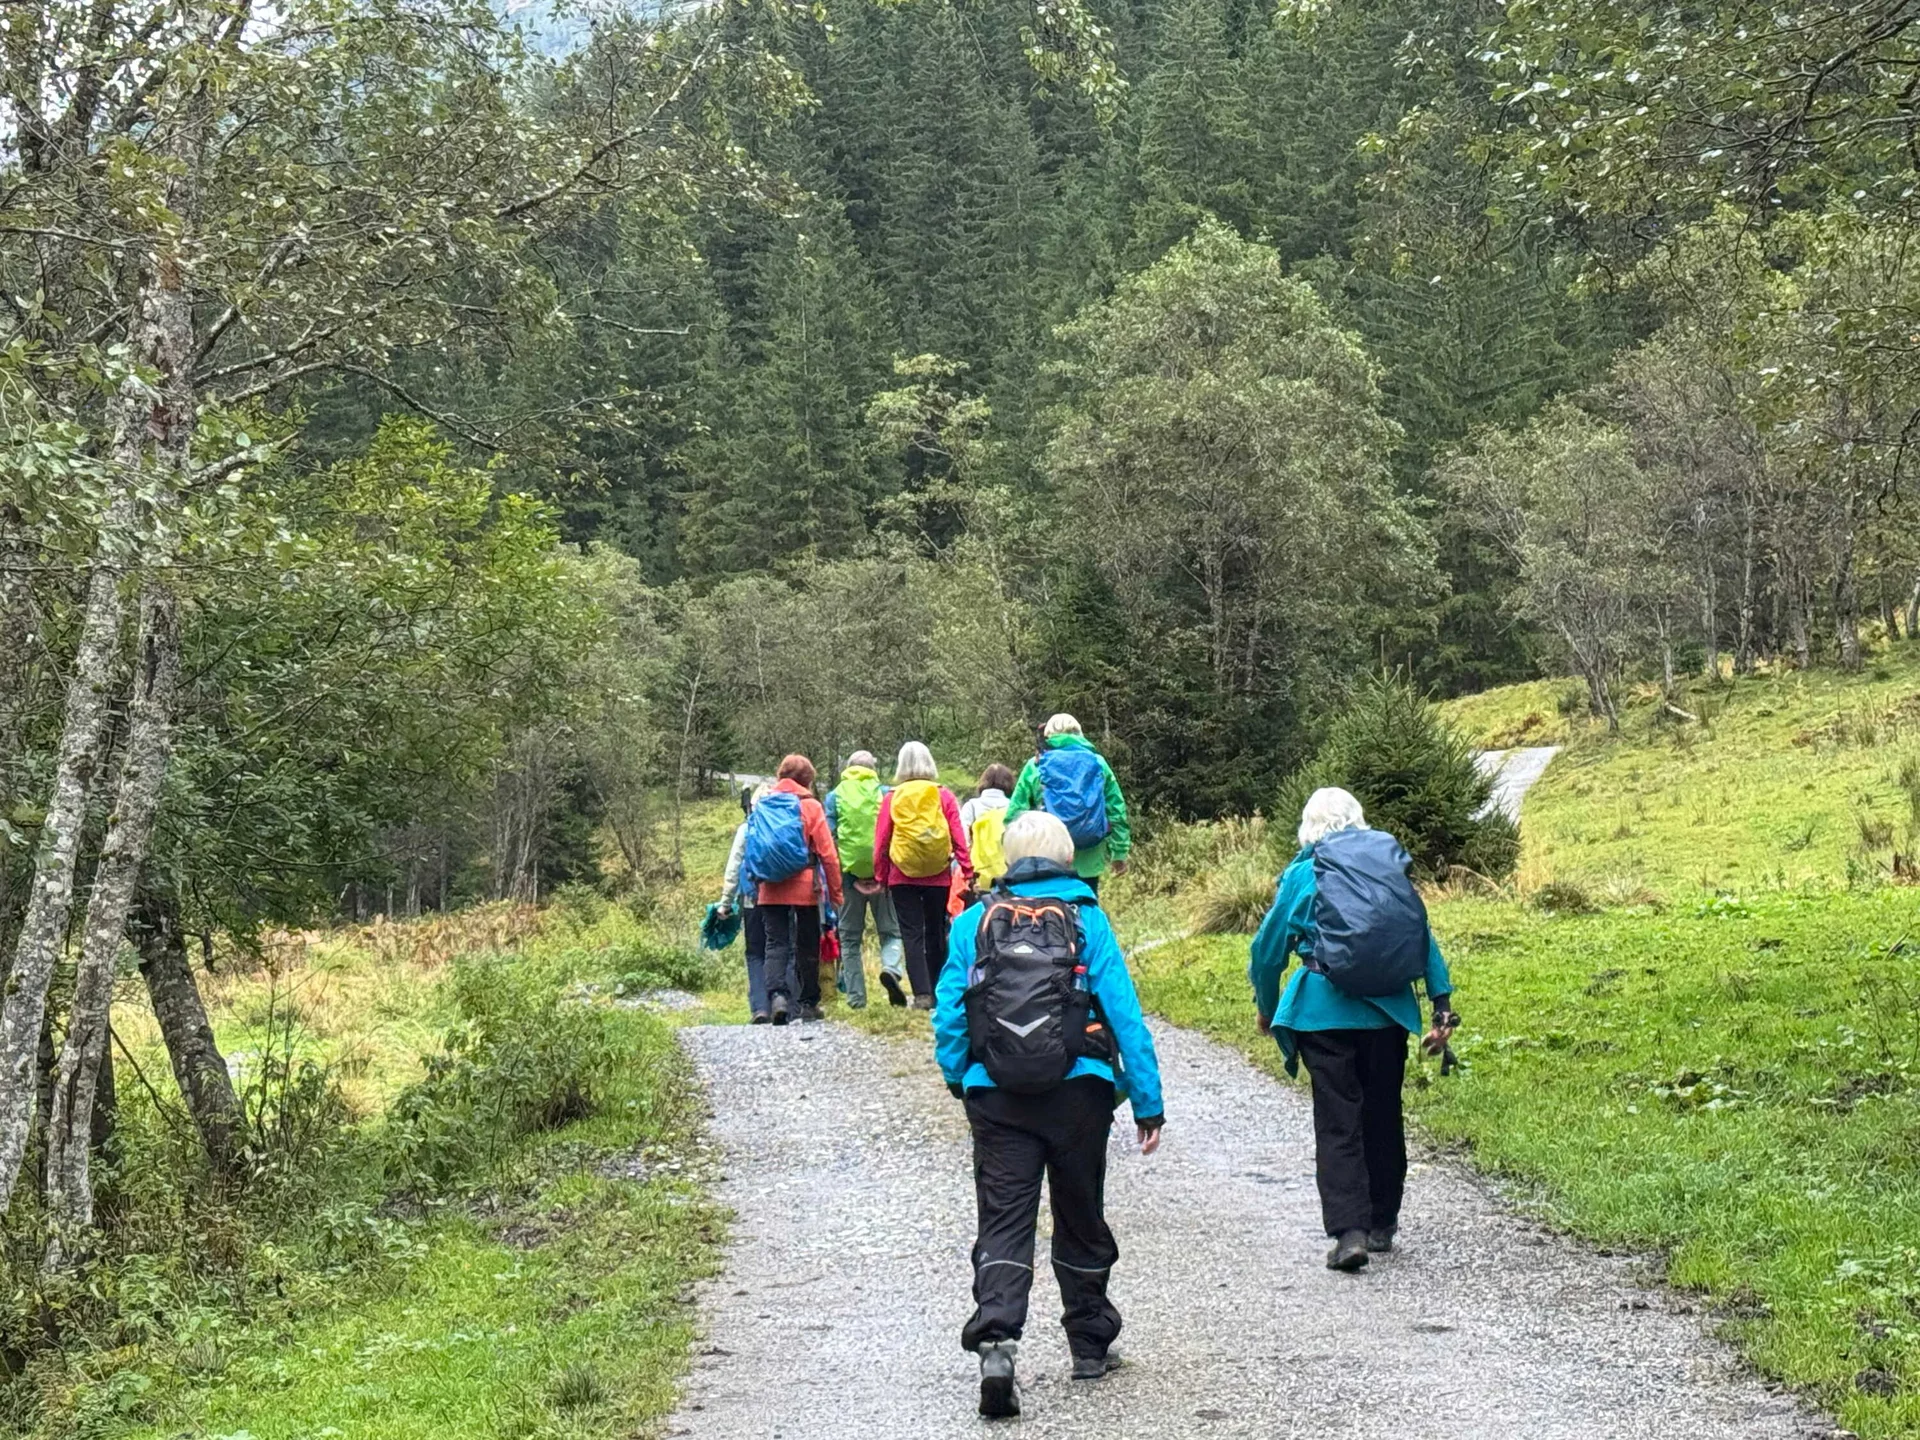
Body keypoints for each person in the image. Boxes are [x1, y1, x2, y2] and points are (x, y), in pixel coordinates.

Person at [935, 812, 1164, 1419]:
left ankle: (997, 1340)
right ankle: (1089, 1344)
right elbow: (1124, 1013)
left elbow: (951, 1010)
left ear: (1009, 860)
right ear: (1066, 859)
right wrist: (1147, 1100)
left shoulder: (974, 921)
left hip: (997, 1093)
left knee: (1005, 1218)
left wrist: (960, 1076)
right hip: (1079, 1092)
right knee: (1079, 1211)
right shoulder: (1087, 920)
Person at [1249, 787, 1458, 1272]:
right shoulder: (1385, 870)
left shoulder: (1304, 874)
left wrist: (1267, 1006)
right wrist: (1441, 1004)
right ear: (1359, 821)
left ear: (1308, 828)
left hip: (1322, 1014)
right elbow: (1421, 936)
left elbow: (1267, 950)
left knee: (1338, 1121)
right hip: (1387, 1015)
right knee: (1382, 1113)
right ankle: (1382, 1223)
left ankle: (1350, 1234)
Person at [872, 741, 971, 1009]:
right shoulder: (944, 795)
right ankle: (938, 990)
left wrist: (881, 875)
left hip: (902, 876)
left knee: (911, 933)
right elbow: (958, 835)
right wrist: (967, 868)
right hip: (938, 874)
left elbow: (882, 840)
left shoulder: (892, 797)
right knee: (935, 931)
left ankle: (922, 994)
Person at [747, 754, 845, 1025]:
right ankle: (808, 1003)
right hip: (805, 887)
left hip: (770, 886)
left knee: (776, 942)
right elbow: (828, 855)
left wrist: (754, 882)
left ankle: (778, 997)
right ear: (807, 780)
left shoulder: (763, 805)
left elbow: (752, 847)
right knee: (807, 942)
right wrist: (836, 893)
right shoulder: (810, 806)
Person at [1004, 715, 1130, 895]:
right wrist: (1119, 853)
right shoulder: (1098, 763)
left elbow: (1015, 813)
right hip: (1089, 856)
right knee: (1085, 905)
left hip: (1046, 856)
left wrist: (1012, 854)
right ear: (1079, 733)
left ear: (1048, 736)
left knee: (1049, 907)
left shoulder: (1036, 765)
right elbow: (1116, 809)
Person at [825, 750, 905, 1008]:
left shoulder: (834, 796)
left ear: (848, 768)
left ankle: (856, 999)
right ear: (873, 769)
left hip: (850, 877)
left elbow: (829, 839)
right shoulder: (886, 793)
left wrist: (845, 874)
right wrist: (886, 870)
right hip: (883, 874)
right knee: (891, 932)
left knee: (849, 939)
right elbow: (896, 834)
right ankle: (891, 968)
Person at [718, 783, 773, 1022]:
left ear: (752, 806)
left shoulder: (746, 828)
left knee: (755, 952)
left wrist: (726, 903)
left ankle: (760, 1008)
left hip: (752, 898)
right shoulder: (789, 824)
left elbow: (734, 867)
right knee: (782, 947)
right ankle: (783, 1003)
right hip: (782, 897)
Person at [959, 763, 1015, 896]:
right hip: (1008, 872)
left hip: (979, 873)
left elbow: (963, 841)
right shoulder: (1013, 808)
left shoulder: (971, 806)